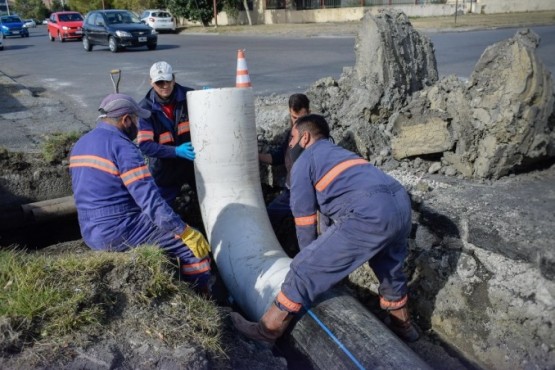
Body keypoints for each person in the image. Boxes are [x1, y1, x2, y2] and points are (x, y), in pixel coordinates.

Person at [232, 114, 419, 343]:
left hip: (368, 212)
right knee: (390, 269)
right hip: (399, 203)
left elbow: (304, 220)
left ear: (305, 137)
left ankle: (266, 331)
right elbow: (330, 216)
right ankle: (404, 328)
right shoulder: (339, 154)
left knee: (303, 267)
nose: (289, 144)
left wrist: (310, 263)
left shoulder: (305, 162)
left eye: (292, 138)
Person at [69, 93, 212, 294]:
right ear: (126, 120)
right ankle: (204, 300)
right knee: (194, 249)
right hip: (119, 229)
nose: (138, 126)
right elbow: (150, 202)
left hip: (89, 229)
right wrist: (184, 231)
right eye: (137, 120)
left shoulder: (81, 144)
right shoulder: (123, 148)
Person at [137, 61, 196, 205]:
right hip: (165, 170)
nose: (165, 86)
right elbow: (145, 145)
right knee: (161, 209)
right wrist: (175, 151)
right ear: (151, 82)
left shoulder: (191, 97)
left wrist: (208, 98)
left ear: (174, 79)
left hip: (192, 165)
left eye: (168, 81)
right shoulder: (145, 110)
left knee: (210, 202)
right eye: (159, 82)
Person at [259, 93, 310, 230]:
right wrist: (257, 156)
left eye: (302, 118)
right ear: (290, 113)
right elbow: (281, 156)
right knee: (269, 215)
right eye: (294, 118)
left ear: (309, 113)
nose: (298, 122)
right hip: (290, 191)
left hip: (305, 192)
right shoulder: (291, 134)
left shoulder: (315, 136)